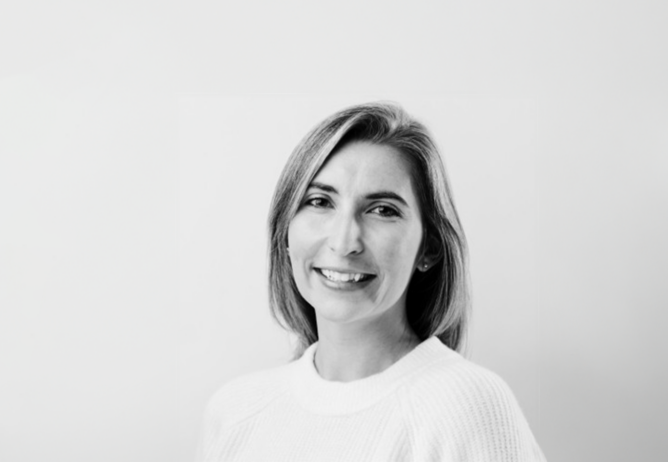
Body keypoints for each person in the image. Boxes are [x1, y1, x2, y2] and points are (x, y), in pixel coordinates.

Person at [196, 103, 546, 461]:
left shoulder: (466, 407)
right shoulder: (235, 410)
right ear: (286, 232)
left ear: (429, 249)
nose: (345, 242)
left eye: (382, 210)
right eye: (319, 201)